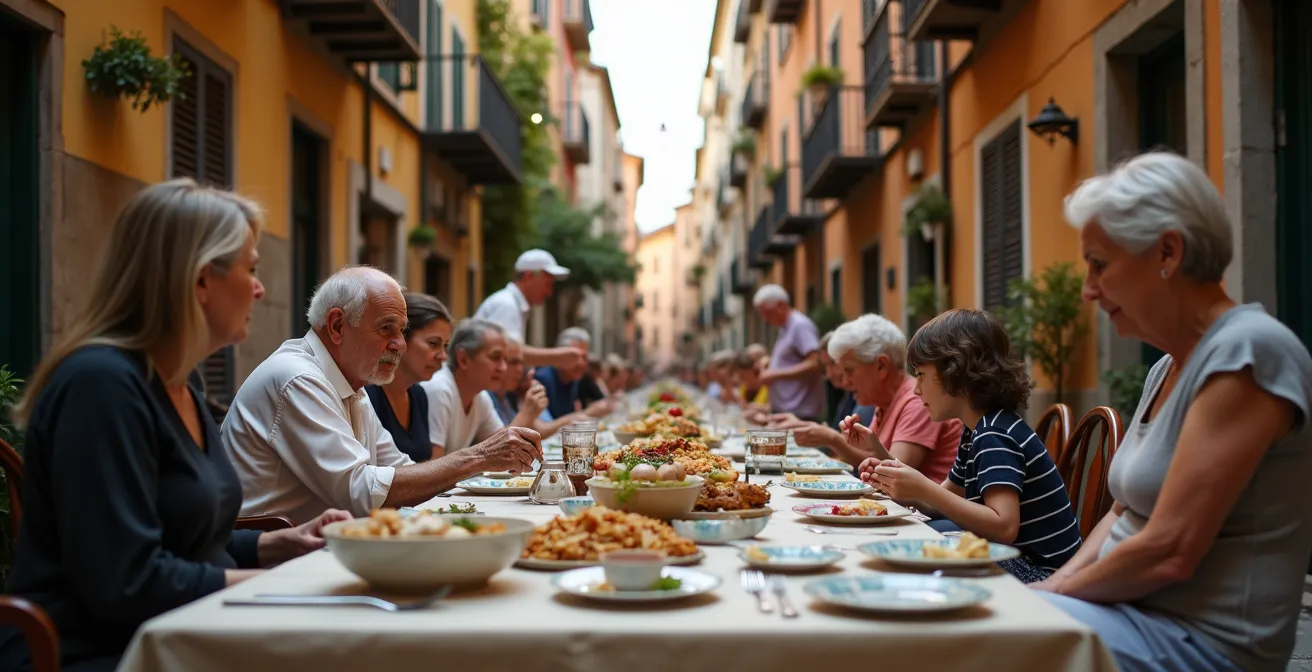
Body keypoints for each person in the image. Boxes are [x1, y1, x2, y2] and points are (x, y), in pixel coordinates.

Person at [0, 180, 350, 672]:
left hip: (187, 632)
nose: (260, 286)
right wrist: (283, 586)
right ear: (200, 279)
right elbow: (126, 580)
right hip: (90, 654)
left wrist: (283, 542)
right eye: (250, 268)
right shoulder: (100, 386)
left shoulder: (177, 387)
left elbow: (186, 538)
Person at [1033, 152, 1312, 672]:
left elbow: (1169, 550)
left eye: (1098, 264)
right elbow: (1121, 512)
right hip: (1129, 616)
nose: (1088, 289)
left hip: (1199, 645)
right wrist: (1052, 590)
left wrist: (1045, 601)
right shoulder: (1168, 366)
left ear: (1167, 251)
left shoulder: (1249, 353)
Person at [223, 267, 542, 524]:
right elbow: (362, 490)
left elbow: (400, 469)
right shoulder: (298, 377)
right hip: (269, 568)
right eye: (386, 328)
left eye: (402, 331)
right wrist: (478, 457)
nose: (399, 345)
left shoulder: (352, 385)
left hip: (318, 552)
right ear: (337, 326)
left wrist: (474, 465)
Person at [863, 309, 1082, 583]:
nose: (916, 389)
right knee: (924, 535)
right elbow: (938, 503)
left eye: (920, 375)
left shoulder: (994, 435)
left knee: (918, 555)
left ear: (955, 373)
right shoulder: (976, 430)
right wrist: (895, 483)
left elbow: (1004, 526)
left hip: (1039, 573)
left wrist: (924, 487)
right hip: (1019, 559)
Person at [827, 314, 961, 481]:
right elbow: (876, 465)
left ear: (881, 365)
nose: (844, 381)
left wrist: (831, 438)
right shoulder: (885, 404)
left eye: (849, 370)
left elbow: (894, 479)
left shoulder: (917, 401)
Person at [422, 319, 532, 457]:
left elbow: (503, 449)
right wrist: (527, 413)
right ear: (463, 359)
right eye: (495, 357)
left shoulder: (480, 396)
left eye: (505, 359)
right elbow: (434, 468)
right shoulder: (439, 390)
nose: (503, 368)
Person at [365, 293, 452, 462]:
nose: (443, 356)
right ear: (401, 339)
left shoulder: (418, 395)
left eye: (446, 346)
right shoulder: (366, 395)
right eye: (434, 343)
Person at [769, 332, 876, 461]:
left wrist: (831, 438)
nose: (829, 375)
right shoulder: (849, 397)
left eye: (833, 364)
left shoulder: (866, 401)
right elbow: (836, 438)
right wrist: (801, 425)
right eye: (825, 367)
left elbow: (865, 457)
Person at [473, 248, 583, 370]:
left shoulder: (511, 303)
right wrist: (557, 357)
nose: (549, 292)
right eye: (547, 284)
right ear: (529, 276)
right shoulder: (507, 304)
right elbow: (509, 351)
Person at [752, 285, 826, 422]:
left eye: (767, 313)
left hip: (800, 413)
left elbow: (815, 362)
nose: (765, 319)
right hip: (789, 410)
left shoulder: (799, 325)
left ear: (781, 305)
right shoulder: (785, 328)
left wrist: (774, 374)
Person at [535, 327, 613, 421]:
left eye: (584, 358)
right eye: (575, 357)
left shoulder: (573, 379)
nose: (582, 364)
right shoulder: (541, 380)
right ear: (560, 354)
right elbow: (544, 428)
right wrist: (586, 413)